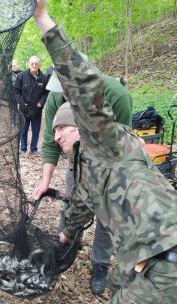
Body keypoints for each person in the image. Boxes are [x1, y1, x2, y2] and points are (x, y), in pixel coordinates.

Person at [33, 1, 177, 303]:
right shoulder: (89, 165)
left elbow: (85, 86)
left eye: (62, 128)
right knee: (116, 281)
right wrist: (63, 240)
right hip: (142, 258)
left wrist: (43, 19)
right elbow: (78, 209)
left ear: (82, 127)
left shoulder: (105, 142)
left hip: (167, 256)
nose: (55, 135)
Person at [32, 70, 133, 295]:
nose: (66, 97)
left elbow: (122, 145)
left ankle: (100, 264)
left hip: (113, 162)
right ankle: (65, 248)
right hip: (76, 156)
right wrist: (45, 181)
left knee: (107, 214)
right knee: (71, 203)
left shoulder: (117, 95)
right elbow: (50, 142)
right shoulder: (55, 98)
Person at [14, 55, 48, 155]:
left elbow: (46, 93)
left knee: (36, 130)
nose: (34, 65)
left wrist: (41, 103)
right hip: (24, 108)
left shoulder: (43, 77)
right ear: (29, 64)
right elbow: (16, 91)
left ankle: (34, 149)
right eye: (32, 63)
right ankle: (23, 148)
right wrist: (21, 102)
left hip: (37, 109)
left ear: (39, 65)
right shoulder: (22, 76)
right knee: (23, 129)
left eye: (36, 64)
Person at [11, 59, 22, 126]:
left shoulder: (22, 73)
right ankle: (13, 122)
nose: (13, 67)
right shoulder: (9, 75)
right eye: (12, 66)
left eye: (15, 65)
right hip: (12, 95)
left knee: (20, 109)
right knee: (13, 109)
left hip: (21, 95)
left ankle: (20, 122)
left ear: (18, 65)